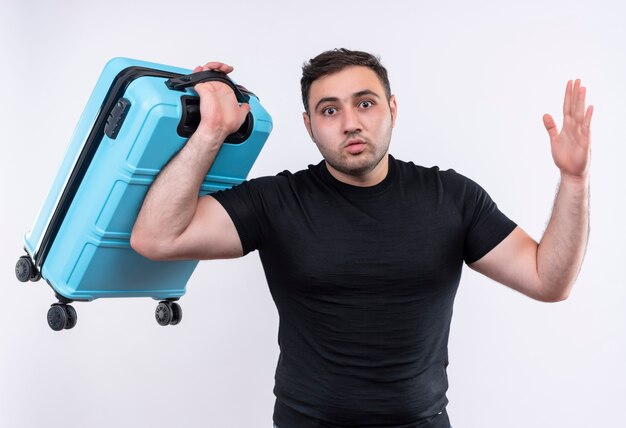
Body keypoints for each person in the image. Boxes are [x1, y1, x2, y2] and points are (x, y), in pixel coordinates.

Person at [130, 48, 593, 428]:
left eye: (365, 103)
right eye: (329, 110)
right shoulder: (278, 201)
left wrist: (574, 180)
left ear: (392, 109)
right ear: (309, 125)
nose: (350, 122)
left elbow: (548, 281)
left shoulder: (451, 197)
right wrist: (211, 129)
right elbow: (157, 238)